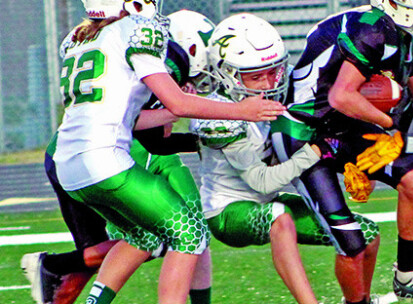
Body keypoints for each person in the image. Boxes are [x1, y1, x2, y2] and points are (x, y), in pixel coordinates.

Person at [51, 0, 284, 303]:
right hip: (105, 160)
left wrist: (185, 126)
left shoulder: (80, 38)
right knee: (190, 233)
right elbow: (178, 103)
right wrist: (241, 110)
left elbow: (131, 118)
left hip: (69, 166)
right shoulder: (132, 31)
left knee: (143, 235)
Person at [270, 1, 413, 303]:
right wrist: (388, 125)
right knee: (352, 243)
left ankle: (408, 274)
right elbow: (341, 96)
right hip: (305, 132)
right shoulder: (372, 28)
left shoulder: (404, 35)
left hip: (343, 127)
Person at [21, 8, 219, 304]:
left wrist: (195, 138)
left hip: (70, 155)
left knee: (133, 243)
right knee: (164, 234)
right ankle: (53, 265)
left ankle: (53, 269)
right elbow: (151, 133)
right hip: (96, 156)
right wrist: (206, 133)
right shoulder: (159, 58)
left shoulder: (118, 43)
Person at [190, 13, 381, 304]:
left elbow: (289, 158)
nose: (268, 84)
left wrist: (345, 163)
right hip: (227, 211)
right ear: (225, 73)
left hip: (272, 201)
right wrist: (315, 151)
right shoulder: (218, 114)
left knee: (364, 234)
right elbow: (262, 181)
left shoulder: (283, 95)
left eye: (273, 72)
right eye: (256, 76)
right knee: (280, 218)